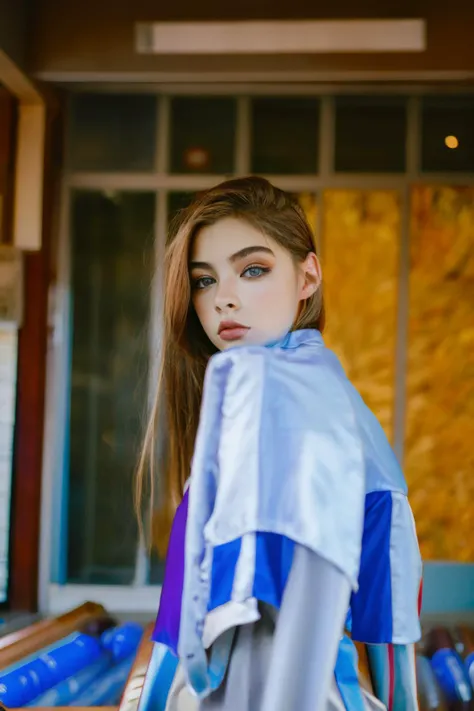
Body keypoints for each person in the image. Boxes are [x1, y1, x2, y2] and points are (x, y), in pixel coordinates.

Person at [136, 176, 423, 711]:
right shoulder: (338, 405)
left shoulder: (272, 399)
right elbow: (391, 613)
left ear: (307, 276)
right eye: (203, 281)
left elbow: (208, 623)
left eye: (252, 270)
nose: (223, 298)